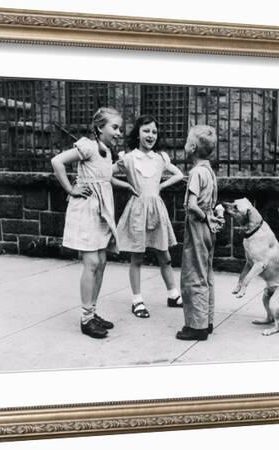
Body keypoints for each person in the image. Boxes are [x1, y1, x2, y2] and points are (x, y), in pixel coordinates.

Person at [51, 107, 136, 339]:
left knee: (101, 261)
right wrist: (70, 188)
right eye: (115, 127)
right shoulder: (87, 146)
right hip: (86, 210)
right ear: (100, 127)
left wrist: (126, 185)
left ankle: (92, 311)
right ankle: (86, 318)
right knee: (91, 263)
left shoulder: (106, 152)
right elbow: (57, 161)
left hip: (102, 212)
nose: (119, 132)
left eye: (120, 128)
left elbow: (104, 179)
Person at [114, 115, 184, 318]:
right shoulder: (128, 158)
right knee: (137, 257)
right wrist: (126, 185)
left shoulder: (160, 158)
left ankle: (173, 294)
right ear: (137, 133)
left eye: (154, 131)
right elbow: (106, 174)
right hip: (137, 211)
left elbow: (179, 174)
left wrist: (162, 185)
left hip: (156, 211)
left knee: (165, 255)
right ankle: (137, 300)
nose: (150, 135)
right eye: (146, 131)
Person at [176, 125, 224, 341]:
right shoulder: (210, 171)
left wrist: (204, 217)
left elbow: (193, 205)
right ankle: (207, 320)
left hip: (198, 224)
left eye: (187, 140)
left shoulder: (196, 172)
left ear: (192, 147)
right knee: (206, 273)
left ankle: (196, 327)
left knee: (193, 274)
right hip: (209, 228)